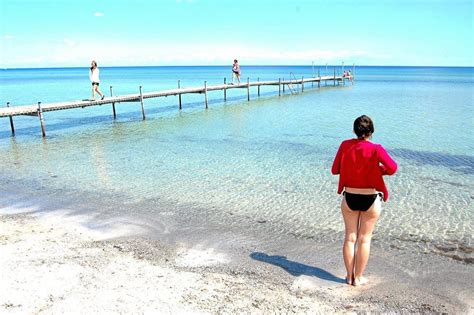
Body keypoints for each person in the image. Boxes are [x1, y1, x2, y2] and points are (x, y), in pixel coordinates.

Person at [331, 115, 397, 286]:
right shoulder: (376, 148)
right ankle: (358, 278)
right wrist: (377, 171)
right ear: (371, 132)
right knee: (364, 239)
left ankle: (349, 277)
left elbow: (334, 170)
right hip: (370, 198)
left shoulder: (345, 145)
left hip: (350, 197)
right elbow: (392, 168)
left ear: (354, 130)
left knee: (350, 238)